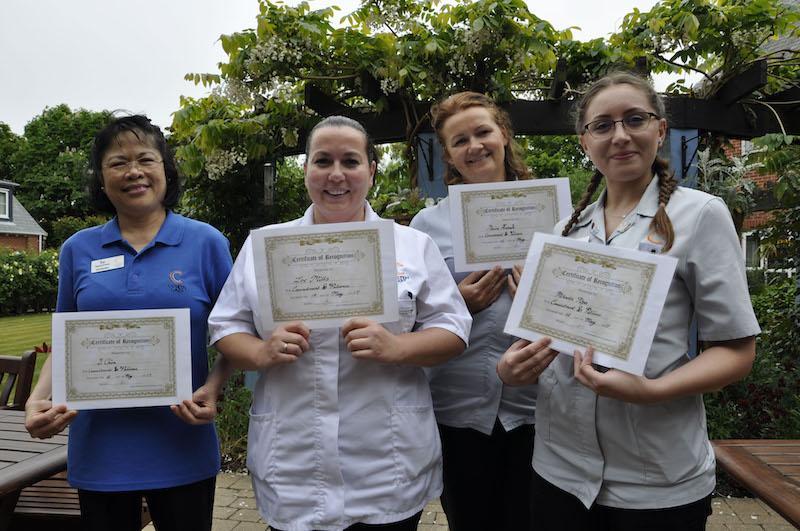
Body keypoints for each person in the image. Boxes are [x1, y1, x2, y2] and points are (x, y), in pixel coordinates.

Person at [497, 71, 760, 531]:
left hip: (654, 480)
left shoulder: (699, 215)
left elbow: (737, 351)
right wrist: (512, 368)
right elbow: (550, 338)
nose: (619, 136)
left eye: (634, 119)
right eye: (602, 125)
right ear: (585, 142)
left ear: (660, 130)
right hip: (558, 472)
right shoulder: (565, 231)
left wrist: (653, 391)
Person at [207, 115, 471, 531]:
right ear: (307, 168)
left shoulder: (412, 245)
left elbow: (454, 329)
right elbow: (226, 326)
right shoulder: (265, 245)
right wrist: (260, 352)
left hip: (386, 463)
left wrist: (398, 348)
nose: (336, 175)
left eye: (350, 161)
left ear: (371, 169)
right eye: (322, 161)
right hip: (295, 464)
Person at [24, 115, 233, 531]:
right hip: (101, 449)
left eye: (145, 159)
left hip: (182, 443)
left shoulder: (205, 242)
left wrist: (214, 387)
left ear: (165, 170)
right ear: (102, 180)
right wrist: (36, 401)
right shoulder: (77, 249)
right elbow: (65, 340)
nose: (133, 171)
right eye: (118, 162)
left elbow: (235, 333)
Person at [409, 91, 538, 530]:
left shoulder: (554, 214)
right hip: (458, 405)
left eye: (483, 132)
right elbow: (408, 317)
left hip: (537, 407)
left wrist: (538, 304)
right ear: (448, 154)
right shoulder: (427, 226)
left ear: (503, 134)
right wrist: (457, 304)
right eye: (459, 140)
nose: (474, 145)